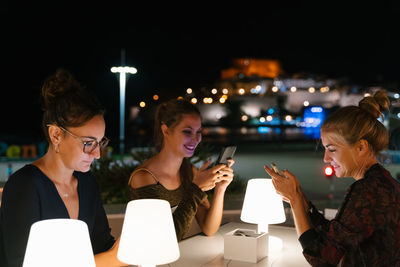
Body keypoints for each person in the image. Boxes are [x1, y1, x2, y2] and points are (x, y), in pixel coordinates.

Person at [0, 69, 127, 267]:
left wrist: (129, 249)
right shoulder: (23, 186)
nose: (97, 154)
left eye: (100, 142)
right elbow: (20, 263)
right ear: (56, 135)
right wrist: (112, 259)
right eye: (88, 142)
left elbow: (102, 247)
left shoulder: (87, 183)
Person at [264, 90, 400, 266]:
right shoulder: (380, 182)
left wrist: (295, 199)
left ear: (361, 147)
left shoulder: (368, 191)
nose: (326, 158)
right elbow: (335, 235)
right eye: (325, 149)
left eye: (332, 149)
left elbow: (321, 258)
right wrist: (299, 197)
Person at [128, 98, 235, 241]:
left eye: (198, 132)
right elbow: (166, 239)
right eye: (187, 132)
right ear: (165, 130)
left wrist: (220, 189)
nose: (195, 139)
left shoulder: (189, 172)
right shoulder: (144, 177)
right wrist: (196, 188)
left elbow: (209, 228)